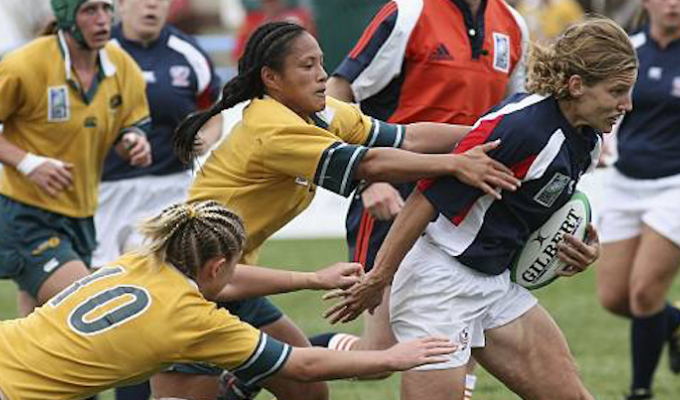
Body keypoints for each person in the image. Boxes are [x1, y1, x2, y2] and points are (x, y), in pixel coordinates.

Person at [162, 20, 520, 400]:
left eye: (321, 63)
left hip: (231, 281)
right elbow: (369, 164)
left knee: (310, 391)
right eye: (307, 66)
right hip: (186, 285)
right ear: (271, 78)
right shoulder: (272, 128)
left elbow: (409, 137)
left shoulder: (321, 113)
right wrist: (454, 164)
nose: (322, 75)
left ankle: (236, 382)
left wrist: (499, 136)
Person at [325, 17, 636, 400]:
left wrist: (579, 247)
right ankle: (276, 364)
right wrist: (378, 278)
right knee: (377, 357)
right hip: (439, 285)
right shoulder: (524, 128)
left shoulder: (587, 141)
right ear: (576, 86)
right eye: (617, 91)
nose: (627, 104)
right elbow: (424, 199)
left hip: (495, 284)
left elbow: (540, 213)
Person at [0, 200, 459, 400]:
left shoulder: (141, 260)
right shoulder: (195, 319)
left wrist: (310, 278)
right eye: (233, 263)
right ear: (215, 266)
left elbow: (230, 282)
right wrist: (394, 356)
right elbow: (302, 367)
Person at [318, 1, 529, 382]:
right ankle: (270, 361)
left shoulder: (513, 25)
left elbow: (517, 118)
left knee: (465, 332)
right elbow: (337, 92)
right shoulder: (408, 12)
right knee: (378, 356)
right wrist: (371, 176)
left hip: (469, 200)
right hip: (394, 194)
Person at [92, 0, 222, 398]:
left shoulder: (188, 52)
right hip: (104, 194)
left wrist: (205, 137)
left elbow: (215, 111)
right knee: (100, 303)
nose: (152, 5)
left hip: (170, 191)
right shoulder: (98, 50)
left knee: (159, 302)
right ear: (122, 5)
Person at [0, 0, 151, 320]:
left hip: (82, 215)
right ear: (66, 16)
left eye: (106, 9)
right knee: (98, 312)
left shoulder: (120, 64)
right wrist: (29, 163)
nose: (102, 20)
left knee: (40, 331)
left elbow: (134, 120)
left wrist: (133, 141)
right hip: (25, 216)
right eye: (89, 10)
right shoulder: (25, 64)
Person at [594, 1, 680, 399]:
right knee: (614, 297)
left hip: (675, 185)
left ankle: (640, 390)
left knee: (645, 292)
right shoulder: (629, 49)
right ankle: (675, 323)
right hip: (625, 181)